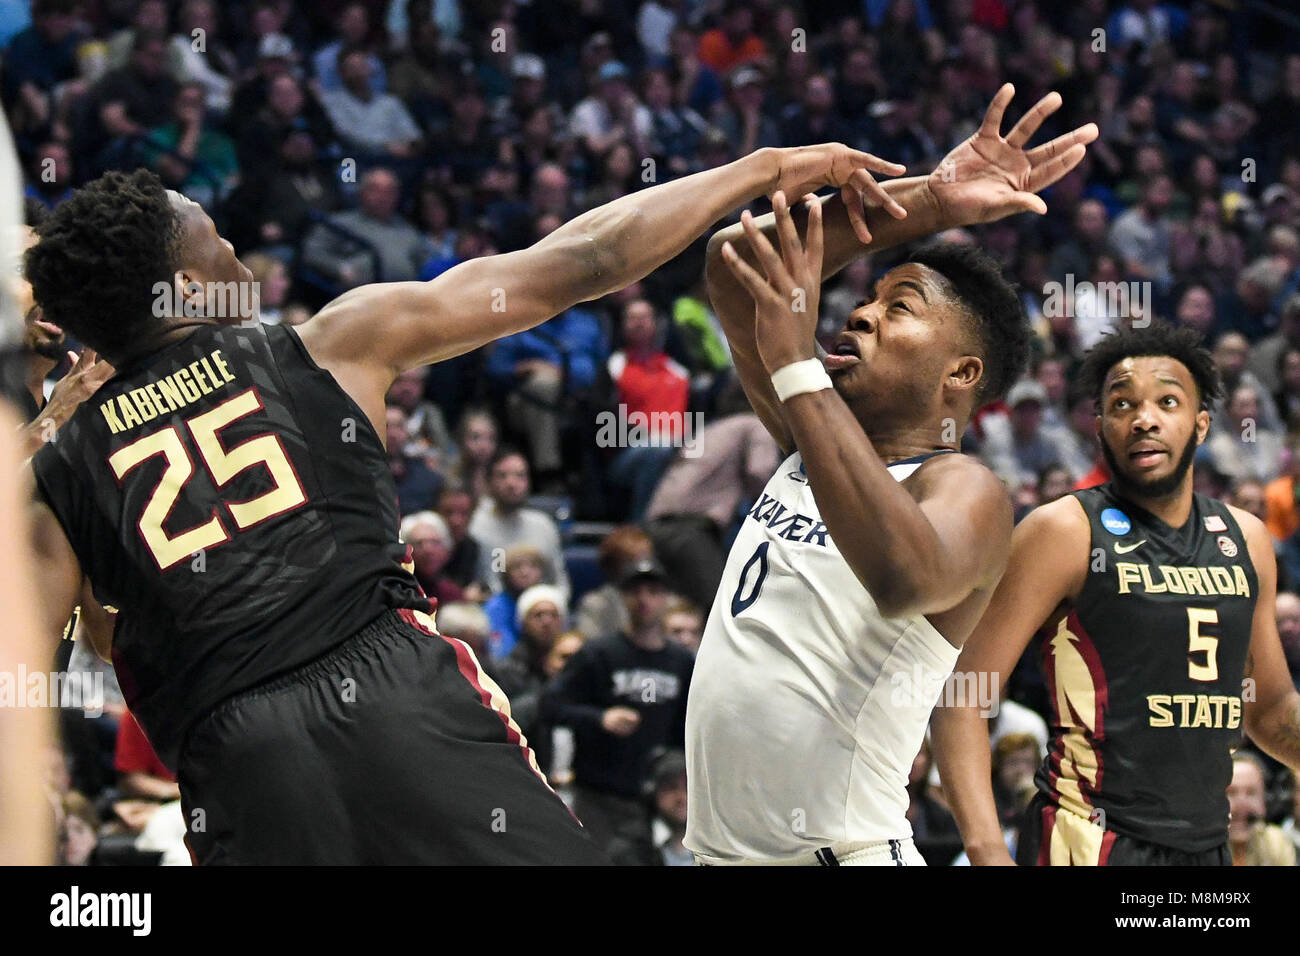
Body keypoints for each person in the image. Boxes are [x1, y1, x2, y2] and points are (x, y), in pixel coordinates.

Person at [26, 137, 890, 863]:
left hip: (238, 763)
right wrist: (763, 167)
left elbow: (64, 665)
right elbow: (582, 260)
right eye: (214, 237)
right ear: (184, 285)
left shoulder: (57, 474)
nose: (238, 256)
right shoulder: (329, 342)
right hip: (394, 697)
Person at [686, 84, 1092, 866]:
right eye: (867, 297)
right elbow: (734, 265)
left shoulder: (968, 489)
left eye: (898, 306)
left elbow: (905, 576)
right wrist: (930, 205)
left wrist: (796, 361)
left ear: (960, 372)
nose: (860, 313)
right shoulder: (814, 439)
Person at [932, 323, 1300, 866]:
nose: (1144, 418)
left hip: (1206, 849)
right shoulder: (1064, 530)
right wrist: (988, 850)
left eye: (1167, 402)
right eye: (1123, 404)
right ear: (1101, 427)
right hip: (1087, 842)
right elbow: (965, 691)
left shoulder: (1246, 539)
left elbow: (1267, 710)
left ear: (1200, 426)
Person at [543, 558, 694, 856]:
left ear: (666, 598)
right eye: (635, 591)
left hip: (655, 799)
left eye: (653, 591)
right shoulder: (599, 653)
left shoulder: (681, 661)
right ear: (623, 597)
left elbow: (688, 728)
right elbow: (550, 705)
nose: (644, 600)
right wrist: (600, 718)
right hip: (598, 796)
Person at [1227, 751, 1297, 866]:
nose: (1241, 804)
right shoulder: (1198, 848)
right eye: (1231, 793)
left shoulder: (1276, 844)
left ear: (1264, 802)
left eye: (1251, 793)